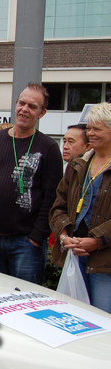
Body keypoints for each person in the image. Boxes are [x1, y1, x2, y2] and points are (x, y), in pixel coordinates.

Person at [0, 83, 63, 284]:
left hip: (26, 244)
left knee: (25, 298)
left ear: (42, 113)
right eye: (22, 103)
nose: (25, 109)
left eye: (32, 106)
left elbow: (51, 198)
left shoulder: (49, 148)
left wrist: (37, 236)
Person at [50, 103, 111, 312]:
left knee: (103, 320)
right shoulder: (77, 164)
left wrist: (96, 240)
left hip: (105, 263)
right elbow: (58, 206)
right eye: (89, 128)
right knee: (73, 318)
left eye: (97, 129)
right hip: (74, 255)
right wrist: (64, 236)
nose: (90, 133)